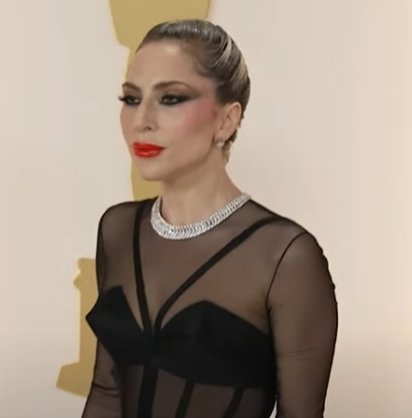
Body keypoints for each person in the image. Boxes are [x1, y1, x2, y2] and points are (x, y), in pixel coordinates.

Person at [81, 19, 338, 418]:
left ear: (227, 120)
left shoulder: (286, 257)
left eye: (170, 98)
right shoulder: (117, 229)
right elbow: (106, 393)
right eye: (131, 98)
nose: (141, 120)